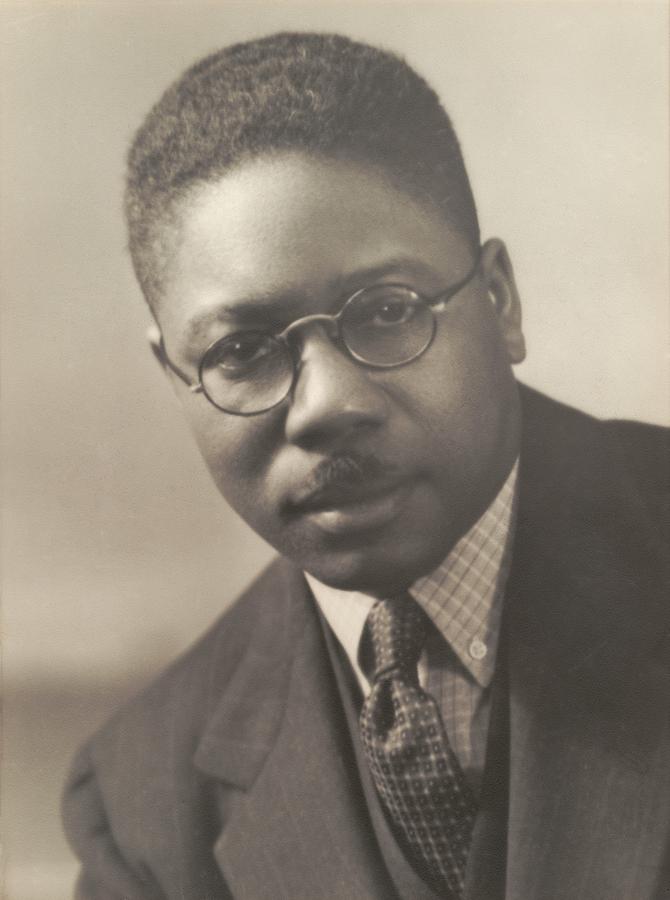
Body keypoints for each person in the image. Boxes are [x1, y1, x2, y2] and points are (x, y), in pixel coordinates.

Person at [61, 32, 669, 900]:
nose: (326, 405)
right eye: (242, 351)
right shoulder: (143, 807)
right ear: (175, 377)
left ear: (500, 301)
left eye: (387, 311)